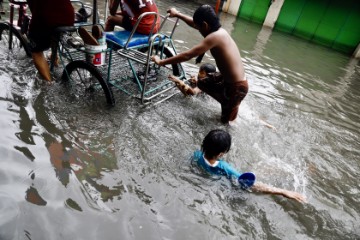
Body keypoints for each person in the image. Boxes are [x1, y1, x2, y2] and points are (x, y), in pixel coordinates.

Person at [152, 5, 248, 124]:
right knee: (202, 82)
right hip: (230, 80)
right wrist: (177, 14)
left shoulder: (214, 37)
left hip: (236, 87)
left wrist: (161, 62)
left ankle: (230, 106)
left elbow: (188, 55)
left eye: (199, 28)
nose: (197, 29)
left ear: (205, 25)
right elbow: (194, 23)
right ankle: (230, 105)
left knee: (224, 123)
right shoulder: (219, 31)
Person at [193, 129, 307, 203]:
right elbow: (251, 185)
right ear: (221, 154)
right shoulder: (224, 167)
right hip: (234, 188)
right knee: (264, 170)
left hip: (212, 179)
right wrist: (282, 191)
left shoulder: (196, 155)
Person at [27, 0, 74, 82]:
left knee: (36, 51)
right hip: (69, 16)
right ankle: (54, 57)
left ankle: (49, 83)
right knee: (53, 32)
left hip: (47, 17)